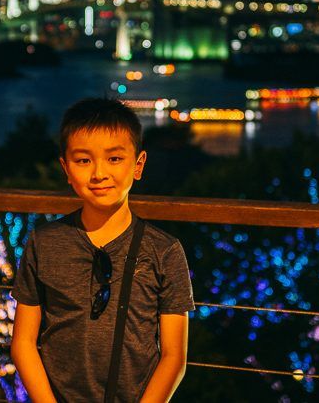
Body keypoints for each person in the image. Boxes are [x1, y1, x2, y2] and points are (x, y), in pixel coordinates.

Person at [11, 97, 195, 403]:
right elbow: (23, 342)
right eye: (84, 160)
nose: (99, 173)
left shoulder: (164, 251)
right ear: (66, 168)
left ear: (138, 165)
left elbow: (174, 356)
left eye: (114, 159)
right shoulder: (44, 243)